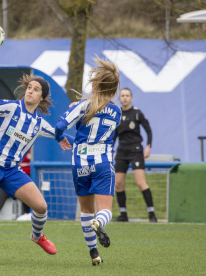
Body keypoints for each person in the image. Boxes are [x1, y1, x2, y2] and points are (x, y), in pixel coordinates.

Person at [0, 74, 73, 266]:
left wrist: (77, 140)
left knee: (41, 206)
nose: (31, 90)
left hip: (11, 170)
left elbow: (59, 134)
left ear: (42, 98)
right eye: (30, 87)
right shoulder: (11, 107)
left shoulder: (38, 123)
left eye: (36, 89)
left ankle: (37, 236)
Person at [54, 57, 121, 266]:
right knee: (105, 210)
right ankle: (99, 222)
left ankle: (94, 253)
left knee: (85, 210)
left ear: (95, 85)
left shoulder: (82, 105)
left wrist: (61, 138)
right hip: (102, 162)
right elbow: (97, 137)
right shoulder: (117, 112)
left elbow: (59, 126)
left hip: (80, 163)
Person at [112, 88, 157, 223]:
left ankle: (152, 214)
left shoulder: (137, 113)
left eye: (127, 96)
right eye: (122, 96)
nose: (125, 98)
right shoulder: (116, 114)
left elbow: (148, 130)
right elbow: (113, 135)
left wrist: (148, 146)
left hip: (136, 151)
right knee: (118, 183)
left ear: (131, 98)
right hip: (121, 152)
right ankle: (123, 214)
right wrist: (110, 150)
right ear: (119, 99)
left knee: (140, 182)